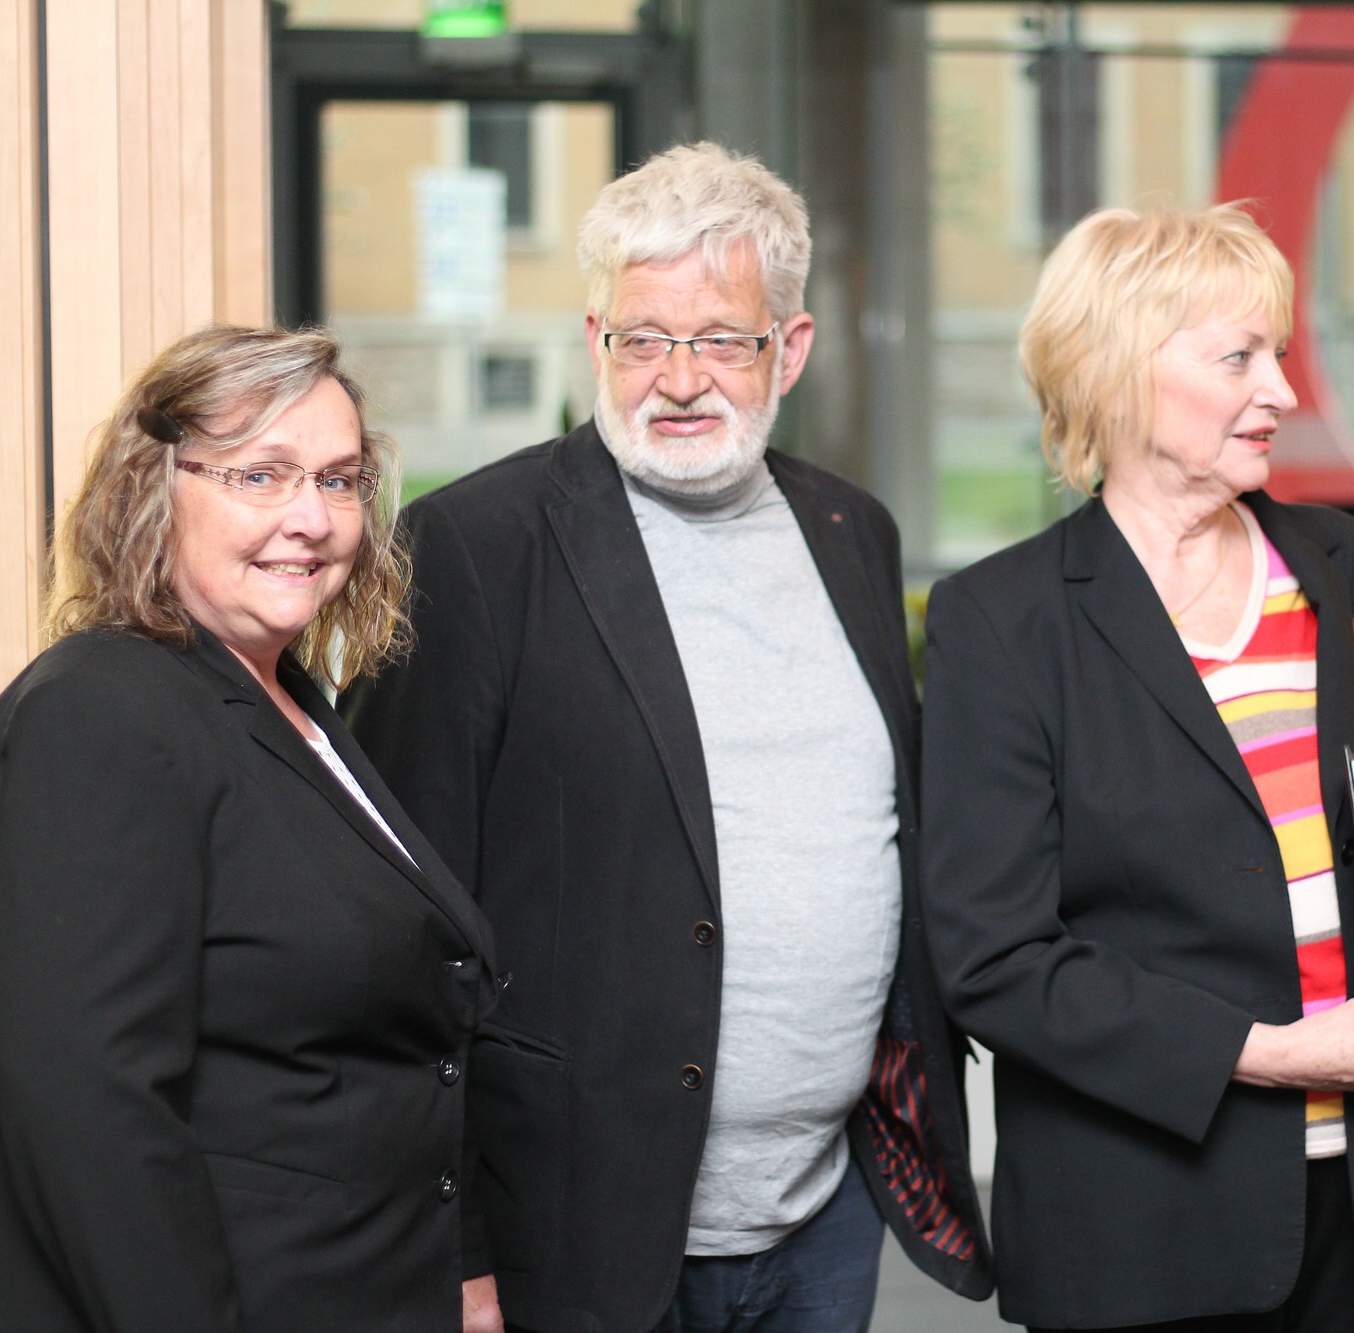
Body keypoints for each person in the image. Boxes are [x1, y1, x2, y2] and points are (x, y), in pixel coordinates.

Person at [339, 142, 991, 1333]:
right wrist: (455, 1251)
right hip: (572, 1229)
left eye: (721, 340)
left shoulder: (852, 531)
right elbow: (393, 930)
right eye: (643, 339)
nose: (678, 380)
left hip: (824, 1213)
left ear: (789, 348)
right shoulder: (474, 548)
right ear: (596, 340)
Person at [919, 205, 1354, 1332]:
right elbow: (996, 957)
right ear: (1117, 375)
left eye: (1278, 353)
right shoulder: (1001, 621)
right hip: (1143, 1236)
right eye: (1238, 357)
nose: (1283, 391)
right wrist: (1276, 1053)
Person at [0, 327, 501, 1333]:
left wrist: (460, 1267)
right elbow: (88, 1110)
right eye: (260, 475)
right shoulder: (96, 716)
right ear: (153, 488)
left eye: (339, 480)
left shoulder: (290, 705)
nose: (311, 518)